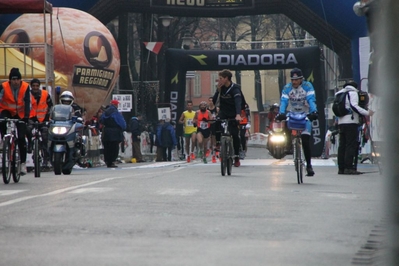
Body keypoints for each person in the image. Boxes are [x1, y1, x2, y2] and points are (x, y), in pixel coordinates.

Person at [276, 68, 319, 176]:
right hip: (293, 114)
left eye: (296, 80)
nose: (294, 82)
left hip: (305, 114)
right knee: (285, 122)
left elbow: (311, 99)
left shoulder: (307, 86)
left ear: (301, 79)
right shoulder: (287, 88)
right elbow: (284, 101)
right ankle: (288, 144)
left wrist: (314, 111)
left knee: (305, 140)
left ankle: (309, 165)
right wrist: (281, 113)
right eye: (292, 80)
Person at [335, 81, 374, 175]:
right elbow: (354, 106)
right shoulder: (352, 93)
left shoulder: (339, 93)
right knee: (350, 145)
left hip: (341, 122)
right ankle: (349, 167)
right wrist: (367, 113)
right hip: (351, 122)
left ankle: (341, 168)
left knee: (342, 145)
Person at [0, 68, 31, 175]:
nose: (16, 81)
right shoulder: (3, 86)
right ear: (10, 80)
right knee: (2, 122)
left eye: (18, 79)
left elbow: (27, 102)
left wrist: (26, 116)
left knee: (22, 137)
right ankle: (5, 142)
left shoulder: (25, 87)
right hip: (6, 111)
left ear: (20, 80)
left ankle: (22, 163)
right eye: (13, 79)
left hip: (20, 113)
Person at [212, 69, 243, 167]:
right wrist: (218, 90)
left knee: (234, 135)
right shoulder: (221, 88)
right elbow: (213, 101)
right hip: (223, 112)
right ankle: (218, 143)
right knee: (216, 121)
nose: (219, 80)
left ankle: (237, 156)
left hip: (234, 113)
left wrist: (238, 115)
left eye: (220, 78)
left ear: (226, 78)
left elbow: (238, 102)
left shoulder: (235, 89)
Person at [28, 78, 53, 167]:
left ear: (39, 86)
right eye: (33, 86)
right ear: (31, 86)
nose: (35, 88)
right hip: (31, 118)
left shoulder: (45, 94)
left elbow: (50, 106)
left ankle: (46, 157)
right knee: (28, 130)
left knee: (45, 136)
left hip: (43, 119)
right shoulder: (27, 94)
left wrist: (48, 117)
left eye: (37, 86)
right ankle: (30, 145)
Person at [99, 99, 126, 168]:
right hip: (115, 132)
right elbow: (121, 123)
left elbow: (101, 120)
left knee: (107, 147)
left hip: (106, 132)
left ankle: (107, 161)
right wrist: (123, 128)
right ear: (115, 105)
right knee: (114, 148)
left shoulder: (105, 112)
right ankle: (112, 161)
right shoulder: (115, 112)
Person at [207, 96, 218, 163]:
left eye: (212, 100)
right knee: (209, 138)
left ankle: (214, 152)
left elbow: (218, 114)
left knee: (214, 138)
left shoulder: (216, 109)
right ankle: (209, 149)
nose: (211, 102)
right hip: (208, 124)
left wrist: (216, 116)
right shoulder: (207, 110)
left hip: (215, 124)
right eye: (210, 100)